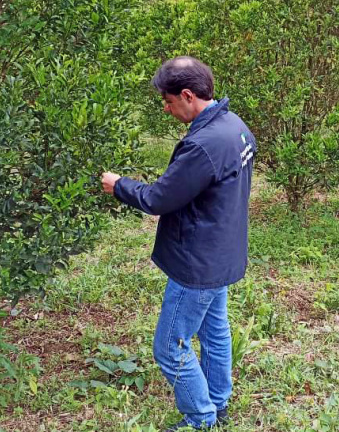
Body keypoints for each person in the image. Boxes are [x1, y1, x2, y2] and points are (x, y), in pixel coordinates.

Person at [101, 56, 256, 431]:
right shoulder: (234, 126)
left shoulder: (204, 145)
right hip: (221, 251)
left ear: (188, 95)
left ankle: (201, 419)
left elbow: (159, 198)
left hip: (198, 261)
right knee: (215, 331)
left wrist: (119, 184)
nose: (167, 109)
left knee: (170, 347)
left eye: (169, 102)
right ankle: (218, 403)